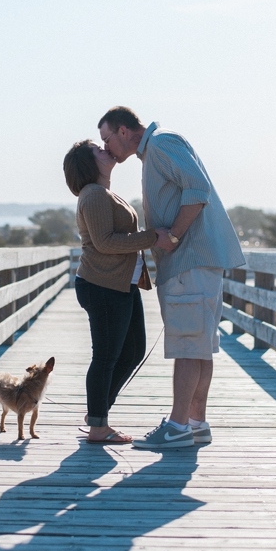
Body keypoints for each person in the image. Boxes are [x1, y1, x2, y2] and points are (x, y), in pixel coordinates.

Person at [97, 107, 246, 450]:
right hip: (195, 263)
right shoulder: (157, 149)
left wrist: (174, 236)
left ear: (123, 131)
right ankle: (195, 424)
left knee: (187, 346)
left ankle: (178, 427)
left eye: (107, 139)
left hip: (188, 261)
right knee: (199, 347)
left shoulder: (161, 144)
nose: (107, 149)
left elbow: (198, 189)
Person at [63, 139, 158, 444]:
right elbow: (105, 242)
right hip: (101, 285)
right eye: (97, 149)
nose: (105, 150)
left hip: (120, 283)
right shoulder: (93, 195)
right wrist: (153, 238)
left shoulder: (104, 193)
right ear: (89, 163)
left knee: (133, 351)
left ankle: (97, 413)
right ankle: (98, 426)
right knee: (105, 357)